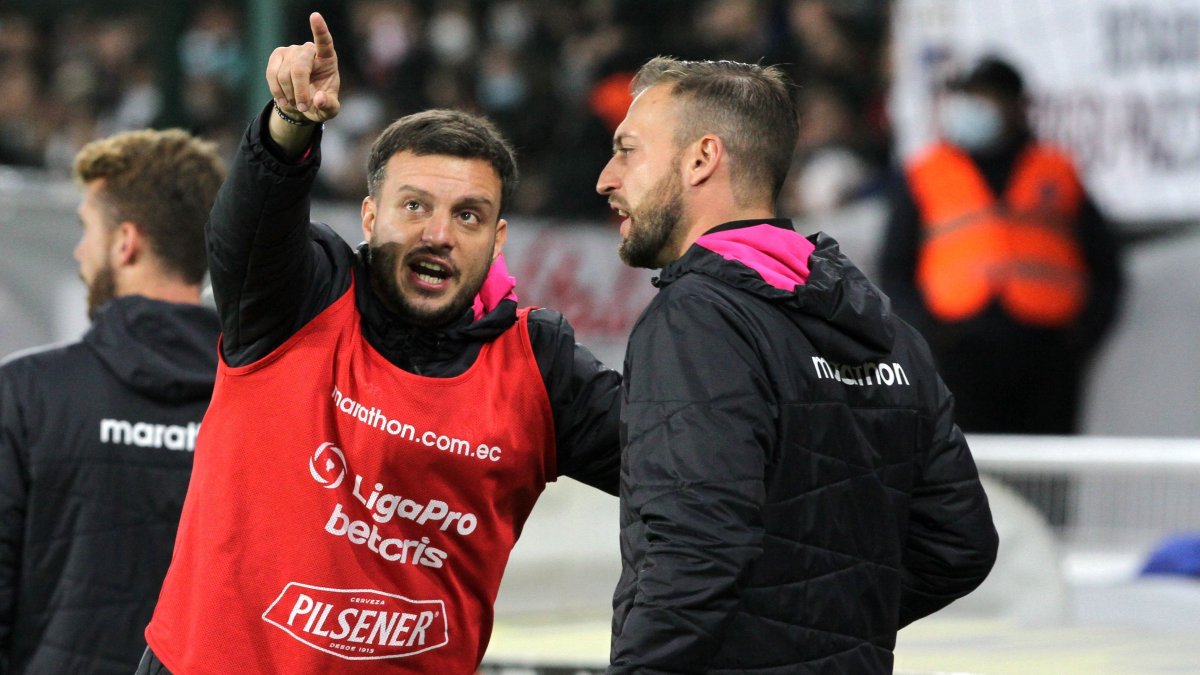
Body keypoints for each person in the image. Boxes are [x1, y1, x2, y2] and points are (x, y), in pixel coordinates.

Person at [140, 13, 620, 674]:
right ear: (370, 216)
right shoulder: (300, 296)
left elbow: (686, 467)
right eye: (415, 206)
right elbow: (245, 234)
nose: (439, 234)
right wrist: (288, 128)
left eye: (468, 215)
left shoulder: (541, 365)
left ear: (499, 238)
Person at [595, 56, 998, 673]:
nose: (606, 178)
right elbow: (960, 542)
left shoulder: (698, 317)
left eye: (627, 150)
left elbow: (698, 550)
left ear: (701, 159)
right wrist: (822, 626)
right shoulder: (887, 331)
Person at [0, 129, 225, 674]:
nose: (80, 250)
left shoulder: (27, 394)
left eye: (87, 229)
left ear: (126, 241)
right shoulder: (260, 406)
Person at [880, 55, 1124, 435]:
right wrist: (926, 336)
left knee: (1046, 477)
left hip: (1046, 355)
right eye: (969, 97)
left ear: (1017, 105)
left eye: (986, 98)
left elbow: (1106, 266)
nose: (974, 109)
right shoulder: (927, 173)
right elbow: (895, 269)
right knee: (966, 473)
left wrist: (1082, 335)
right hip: (958, 353)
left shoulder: (1057, 171)